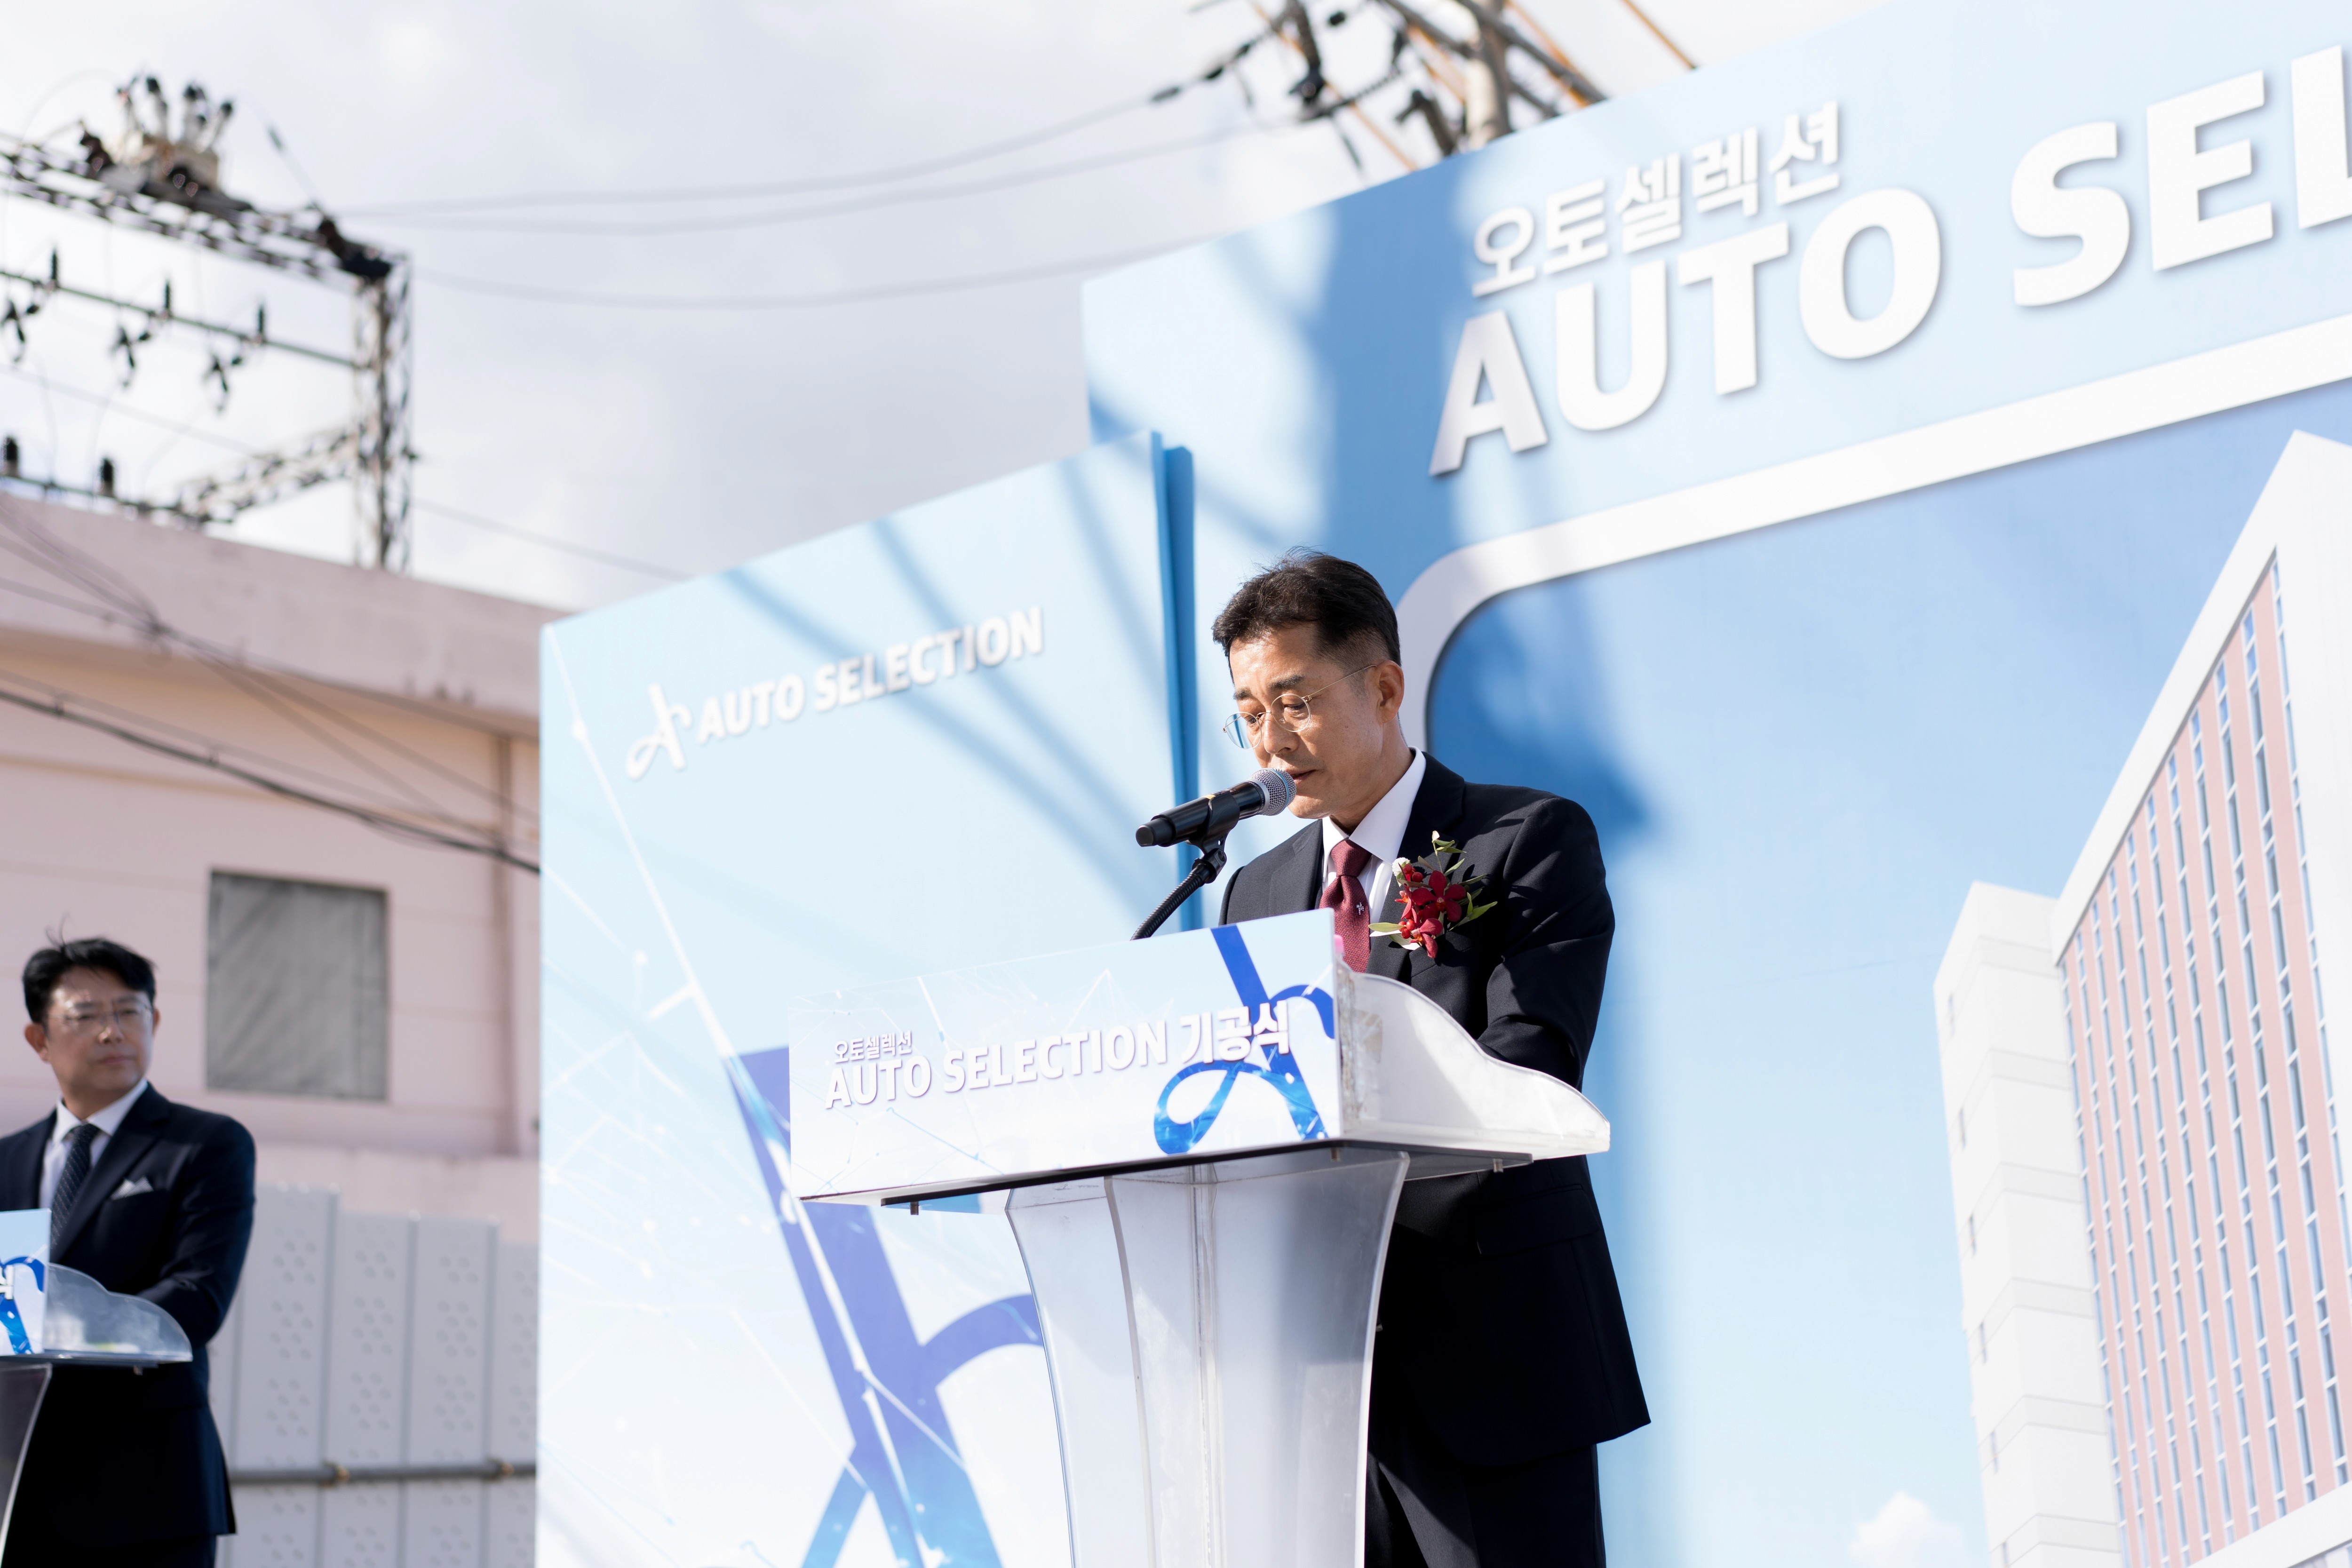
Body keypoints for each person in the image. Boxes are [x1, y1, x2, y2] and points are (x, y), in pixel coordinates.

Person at [1212, 551, 1645, 1568]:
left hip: (1492, 1350)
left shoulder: (1526, 838)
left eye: (1295, 702)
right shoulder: (1251, 894)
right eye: (1249, 713)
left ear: (1385, 687)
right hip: (1318, 1369)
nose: (1271, 742)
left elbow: (1530, 1066)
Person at [1, 937, 254, 1567]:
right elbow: (9, 1302)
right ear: (39, 1039)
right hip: (18, 1494)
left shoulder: (205, 1146)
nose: (113, 1031)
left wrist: (51, 1332)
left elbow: (196, 1297)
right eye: (86, 1015)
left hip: (147, 1492)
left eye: (129, 1011)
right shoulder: (8, 1160)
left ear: (154, 1021)